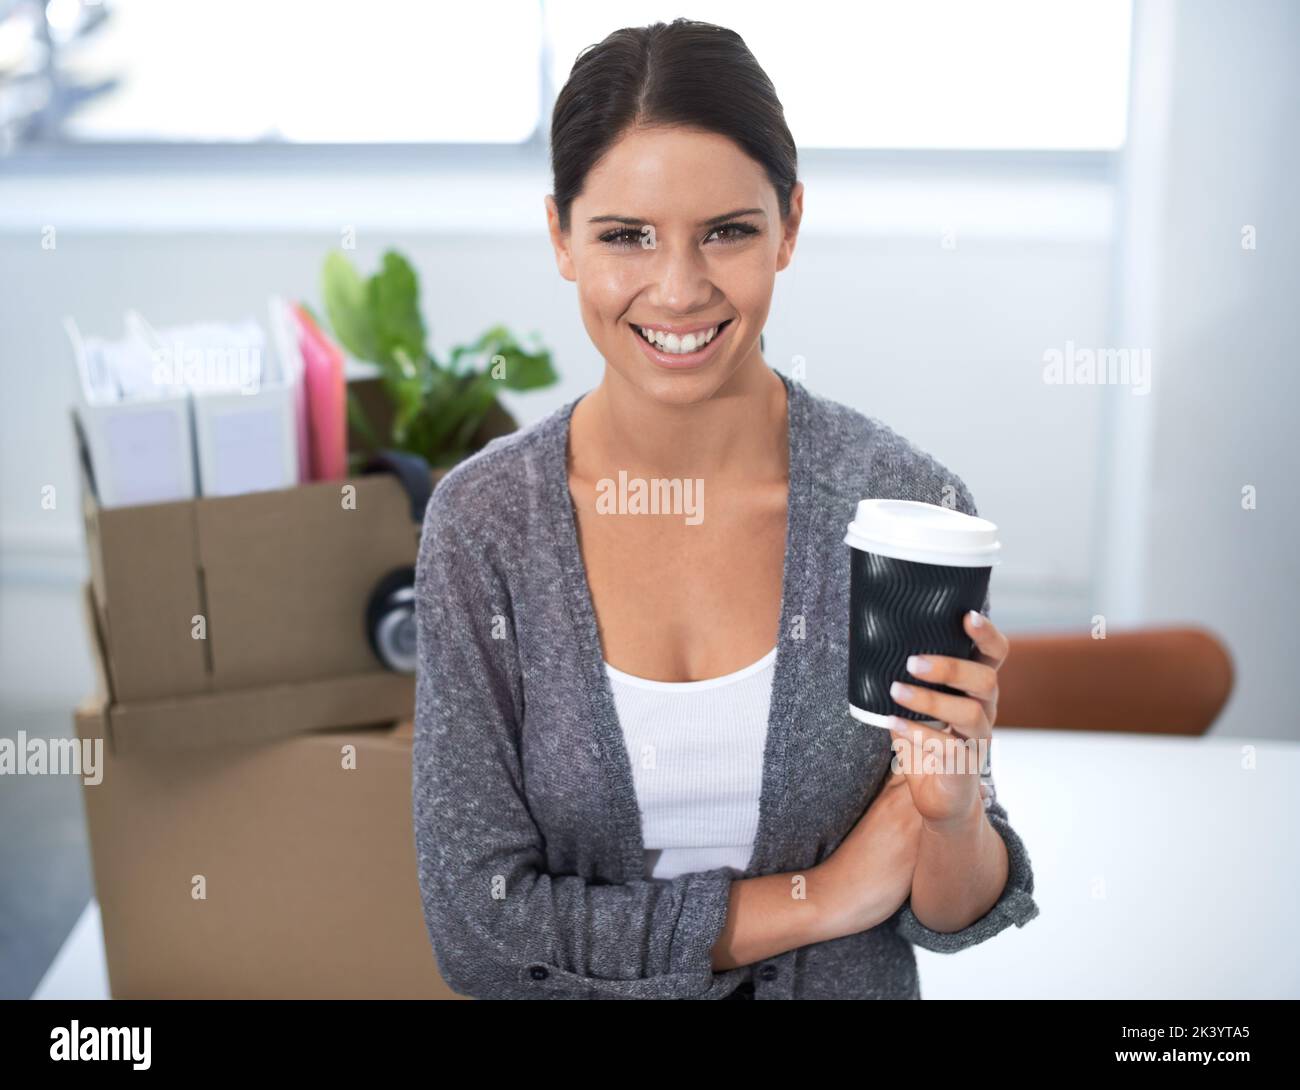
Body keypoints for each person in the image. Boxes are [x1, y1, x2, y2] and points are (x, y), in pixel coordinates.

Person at [412, 18, 1039, 1001]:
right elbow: (482, 933)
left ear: (789, 225)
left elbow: (947, 912)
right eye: (626, 236)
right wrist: (820, 897)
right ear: (560, 237)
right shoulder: (484, 526)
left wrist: (954, 815)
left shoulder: (904, 505)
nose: (678, 289)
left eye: (728, 232)